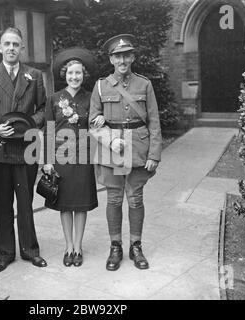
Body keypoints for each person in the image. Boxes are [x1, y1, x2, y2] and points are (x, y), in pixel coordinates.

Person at [0, 27, 47, 273]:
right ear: (0, 47)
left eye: (16, 44)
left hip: (26, 148)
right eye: (7, 44)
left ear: (22, 47)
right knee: (2, 204)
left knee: (26, 203)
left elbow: (43, 109)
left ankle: (30, 250)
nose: (12, 48)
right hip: (1, 148)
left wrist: (29, 125)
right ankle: (4, 254)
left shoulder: (34, 75)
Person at [89, 34, 162, 271]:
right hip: (113, 151)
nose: (122, 60)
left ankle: (136, 246)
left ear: (132, 57)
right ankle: (115, 247)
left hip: (139, 149)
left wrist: (154, 154)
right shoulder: (101, 86)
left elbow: (154, 122)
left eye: (126, 55)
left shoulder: (144, 84)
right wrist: (111, 141)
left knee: (135, 199)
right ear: (111, 59)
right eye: (117, 56)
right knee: (114, 199)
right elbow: (92, 123)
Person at [43, 47, 98, 267]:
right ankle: (68, 246)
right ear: (64, 75)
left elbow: (95, 124)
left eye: (78, 73)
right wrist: (46, 161)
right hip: (61, 158)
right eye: (70, 73)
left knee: (81, 204)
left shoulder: (92, 98)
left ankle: (78, 245)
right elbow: (48, 130)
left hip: (83, 158)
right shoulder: (53, 99)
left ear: (84, 75)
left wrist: (100, 122)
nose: (74, 77)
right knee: (65, 204)